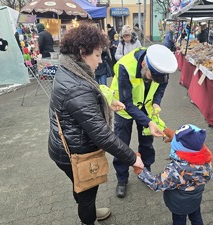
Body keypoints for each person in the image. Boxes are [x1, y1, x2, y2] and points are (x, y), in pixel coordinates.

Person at [48, 23, 144, 225]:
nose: (101, 61)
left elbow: (86, 102)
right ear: (83, 52)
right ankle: (88, 218)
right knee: (86, 192)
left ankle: (88, 210)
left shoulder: (69, 68)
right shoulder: (76, 86)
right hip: (74, 152)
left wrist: (107, 103)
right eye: (98, 55)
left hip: (64, 145)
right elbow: (101, 134)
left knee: (80, 186)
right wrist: (132, 158)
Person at [110, 44, 178, 198]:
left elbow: (161, 87)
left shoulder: (161, 68)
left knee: (147, 143)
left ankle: (145, 170)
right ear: (143, 65)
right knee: (121, 145)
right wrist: (148, 122)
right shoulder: (124, 67)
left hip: (146, 108)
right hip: (122, 109)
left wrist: (156, 102)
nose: (154, 80)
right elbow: (127, 103)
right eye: (151, 77)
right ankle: (122, 179)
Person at [137, 124, 213, 225]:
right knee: (196, 217)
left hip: (179, 205)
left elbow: (156, 183)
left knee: (179, 221)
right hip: (195, 200)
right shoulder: (206, 160)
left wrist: (140, 170)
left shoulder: (175, 170)